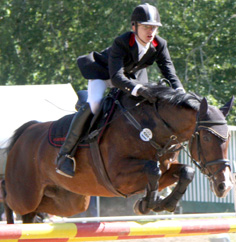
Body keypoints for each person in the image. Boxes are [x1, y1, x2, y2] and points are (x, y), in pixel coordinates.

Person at [56, 3, 185, 178]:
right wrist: (138, 89)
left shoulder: (159, 44)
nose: (151, 32)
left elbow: (169, 72)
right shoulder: (122, 42)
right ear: (134, 26)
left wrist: (181, 93)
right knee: (95, 104)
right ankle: (65, 155)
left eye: (154, 27)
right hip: (105, 75)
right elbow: (116, 78)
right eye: (146, 27)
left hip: (132, 77)